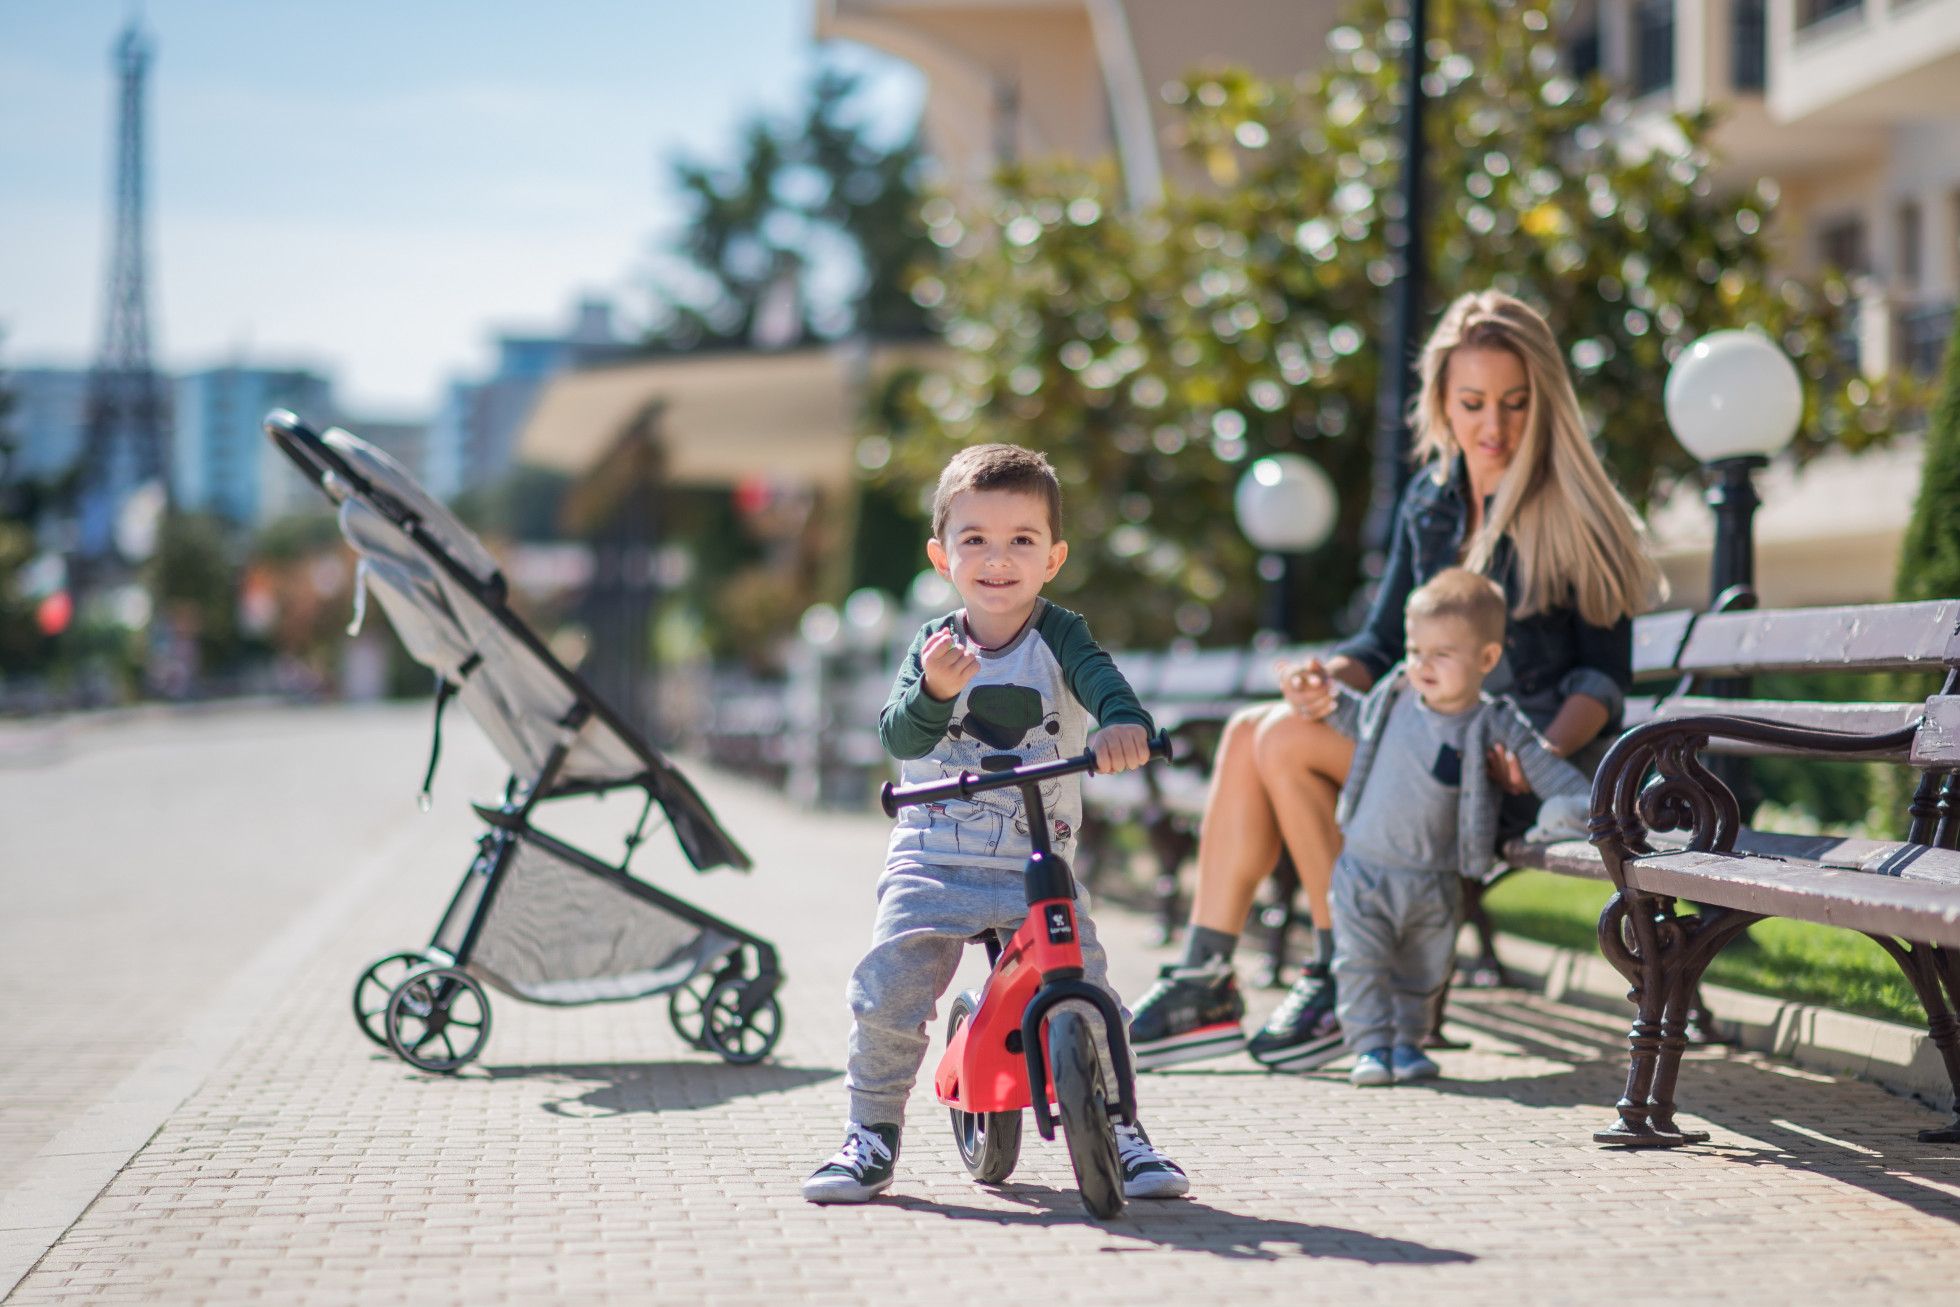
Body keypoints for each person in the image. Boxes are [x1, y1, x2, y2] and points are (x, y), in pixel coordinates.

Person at [1128, 289, 1662, 1073]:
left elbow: (1603, 677)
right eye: (1473, 402)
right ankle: (1209, 974)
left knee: (1280, 741)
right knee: (1259, 725)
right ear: (1442, 401)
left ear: (1545, 400)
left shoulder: (1579, 511)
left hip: (1510, 768)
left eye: (1516, 403)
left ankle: (1342, 976)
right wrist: (1322, 677)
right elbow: (1381, 642)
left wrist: (1540, 749)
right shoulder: (1432, 499)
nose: (1494, 427)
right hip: (1422, 741)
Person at [803, 443, 1190, 1204]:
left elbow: (1108, 688)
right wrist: (934, 693)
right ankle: (871, 1132)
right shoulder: (935, 644)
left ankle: (1120, 1128)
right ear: (942, 555)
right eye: (974, 538)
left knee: (1093, 985)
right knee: (890, 986)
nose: (997, 558)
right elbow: (899, 738)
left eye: (1022, 539)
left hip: (1035, 860)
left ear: (1053, 557)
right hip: (933, 858)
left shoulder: (1062, 636)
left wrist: (1121, 727)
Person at [1308, 568, 1589, 1085]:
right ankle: (1369, 1046)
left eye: (1441, 654)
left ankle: (1409, 1044)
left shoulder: (1491, 720)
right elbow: (1356, 721)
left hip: (1435, 878)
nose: (1421, 665)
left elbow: (1543, 766)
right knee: (1360, 963)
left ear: (1486, 659)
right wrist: (1325, 696)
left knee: (1425, 970)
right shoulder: (1394, 693)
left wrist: (1587, 803)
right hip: (1366, 867)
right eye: (1416, 650)